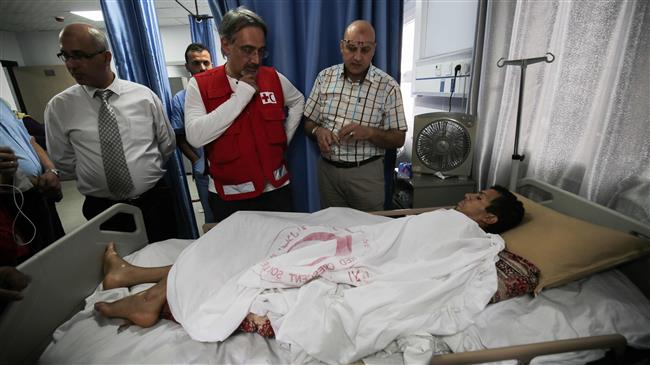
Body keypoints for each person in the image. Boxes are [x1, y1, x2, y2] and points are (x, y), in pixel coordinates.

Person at [94, 185, 524, 329]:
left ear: (488, 217)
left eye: (479, 197)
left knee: (250, 238)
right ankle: (137, 276)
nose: (470, 194)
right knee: (247, 232)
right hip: (358, 234)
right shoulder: (455, 221)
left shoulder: (465, 231)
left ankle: (146, 294)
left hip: (360, 246)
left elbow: (411, 257)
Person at [44, 23, 178, 242]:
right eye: (65, 56)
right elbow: (64, 161)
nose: (71, 65)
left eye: (79, 56)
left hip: (153, 203)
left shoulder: (143, 97)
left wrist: (141, 172)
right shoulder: (60, 107)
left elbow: (166, 144)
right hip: (102, 209)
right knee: (115, 267)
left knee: (165, 260)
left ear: (106, 57)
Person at [184, 7, 305, 222]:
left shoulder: (273, 77)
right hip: (231, 197)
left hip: (277, 191)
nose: (256, 60)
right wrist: (240, 97)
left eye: (260, 51)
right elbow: (195, 136)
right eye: (248, 50)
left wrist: (282, 140)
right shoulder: (200, 85)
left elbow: (298, 101)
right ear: (226, 45)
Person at [303, 20, 408, 212]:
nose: (357, 57)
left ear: (374, 50)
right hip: (328, 173)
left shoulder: (388, 86)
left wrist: (369, 133)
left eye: (365, 50)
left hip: (366, 175)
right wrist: (318, 131)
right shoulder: (324, 77)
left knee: (370, 234)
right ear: (342, 46)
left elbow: (399, 138)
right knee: (332, 231)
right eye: (351, 48)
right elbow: (308, 121)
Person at [1, 99, 64, 265]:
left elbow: (30, 140)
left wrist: (51, 170)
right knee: (30, 266)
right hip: (9, 203)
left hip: (40, 192)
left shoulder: (3, 104)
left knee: (57, 252)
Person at [170, 43, 215, 224]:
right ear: (187, 66)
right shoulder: (180, 99)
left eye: (206, 63)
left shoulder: (225, 92)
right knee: (212, 218)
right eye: (196, 63)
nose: (202, 68)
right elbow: (179, 136)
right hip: (204, 169)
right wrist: (197, 162)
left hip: (231, 168)